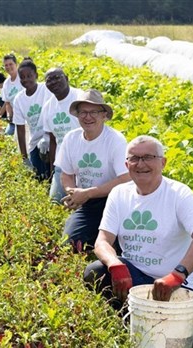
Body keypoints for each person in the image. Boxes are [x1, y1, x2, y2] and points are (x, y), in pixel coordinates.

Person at [84, 135, 193, 308]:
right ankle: (127, 313)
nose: (141, 164)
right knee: (95, 271)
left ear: (163, 162)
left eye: (148, 157)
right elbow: (103, 241)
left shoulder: (179, 194)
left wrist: (177, 275)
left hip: (175, 283)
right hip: (135, 276)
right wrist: (114, 264)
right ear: (126, 165)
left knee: (164, 325)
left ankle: (136, 314)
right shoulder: (119, 193)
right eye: (134, 158)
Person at [54, 89, 131, 252]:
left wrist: (88, 193)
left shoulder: (115, 140)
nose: (88, 117)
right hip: (87, 205)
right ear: (77, 115)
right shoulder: (71, 138)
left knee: (121, 250)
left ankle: (105, 237)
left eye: (94, 112)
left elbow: (126, 179)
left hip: (115, 202)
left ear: (104, 115)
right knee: (69, 245)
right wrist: (72, 192)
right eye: (83, 112)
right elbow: (66, 174)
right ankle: (94, 235)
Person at [42, 68, 83, 202]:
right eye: (49, 80)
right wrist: (53, 169)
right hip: (63, 162)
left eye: (57, 77)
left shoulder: (80, 98)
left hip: (85, 160)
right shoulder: (48, 107)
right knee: (55, 203)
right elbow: (53, 140)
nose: (53, 82)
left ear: (66, 77)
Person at [12, 58, 53, 181]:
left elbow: (54, 112)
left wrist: (48, 137)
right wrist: (24, 158)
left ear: (36, 75)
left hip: (52, 138)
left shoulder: (46, 89)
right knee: (40, 177)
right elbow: (20, 129)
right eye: (22, 77)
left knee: (53, 172)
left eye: (29, 76)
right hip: (35, 141)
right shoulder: (19, 99)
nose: (26, 80)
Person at [1, 54, 24, 135]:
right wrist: (10, 117)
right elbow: (7, 103)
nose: (8, 67)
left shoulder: (23, 77)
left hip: (26, 115)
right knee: (7, 134)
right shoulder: (6, 84)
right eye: (6, 65)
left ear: (16, 64)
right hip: (15, 118)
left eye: (11, 64)